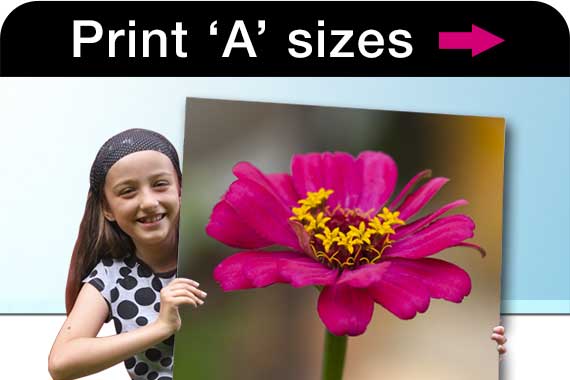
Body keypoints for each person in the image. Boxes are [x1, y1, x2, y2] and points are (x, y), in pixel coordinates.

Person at [48, 129, 207, 380]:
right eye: (127, 191)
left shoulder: (213, 255)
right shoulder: (110, 276)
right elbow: (61, 362)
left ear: (180, 189)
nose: (148, 202)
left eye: (160, 185)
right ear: (107, 209)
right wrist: (161, 328)